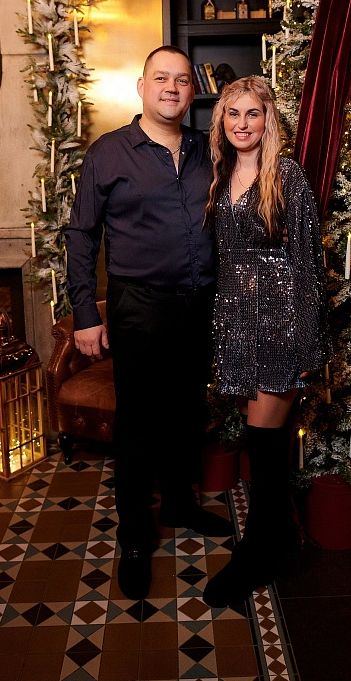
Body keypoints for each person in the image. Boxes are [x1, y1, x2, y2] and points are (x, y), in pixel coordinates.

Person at [65, 45, 234, 601]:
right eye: (161, 78)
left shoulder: (209, 149)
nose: (172, 88)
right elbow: (81, 235)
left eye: (182, 80)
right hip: (139, 305)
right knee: (138, 423)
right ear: (141, 87)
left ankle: (180, 505)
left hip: (200, 304)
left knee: (188, 412)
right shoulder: (109, 153)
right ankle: (136, 536)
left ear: (193, 91)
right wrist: (85, 314)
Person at [202, 75, 331, 609]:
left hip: (279, 323)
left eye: (252, 113)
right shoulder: (220, 173)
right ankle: (276, 533)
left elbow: (308, 263)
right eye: (233, 113)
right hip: (235, 321)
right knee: (263, 442)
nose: (242, 123)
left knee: (263, 442)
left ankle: (256, 553)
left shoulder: (288, 176)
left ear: (267, 120)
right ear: (222, 120)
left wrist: (307, 343)